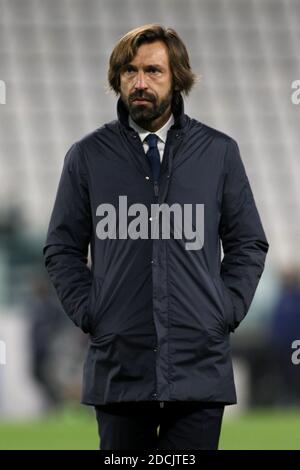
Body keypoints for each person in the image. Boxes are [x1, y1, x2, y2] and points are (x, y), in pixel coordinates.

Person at [43, 24, 269, 450]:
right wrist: (92, 312)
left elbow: (247, 243)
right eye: (129, 71)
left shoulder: (219, 152)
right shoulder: (87, 156)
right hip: (119, 368)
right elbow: (62, 248)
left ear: (177, 77)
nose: (140, 82)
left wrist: (223, 310)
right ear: (117, 79)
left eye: (153, 71)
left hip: (199, 368)